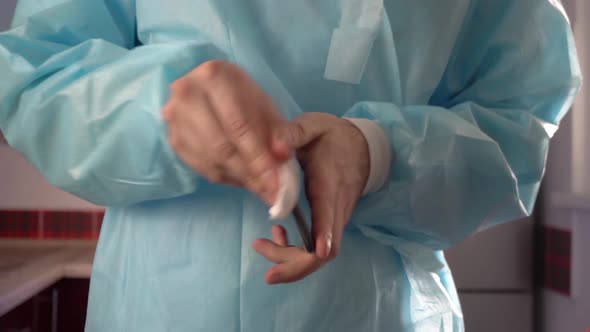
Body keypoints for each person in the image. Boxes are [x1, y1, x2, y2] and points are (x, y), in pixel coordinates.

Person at [0, 0, 581, 331]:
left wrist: (379, 152)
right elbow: (34, 76)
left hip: (387, 313)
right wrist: (159, 107)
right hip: (166, 309)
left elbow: (520, 126)